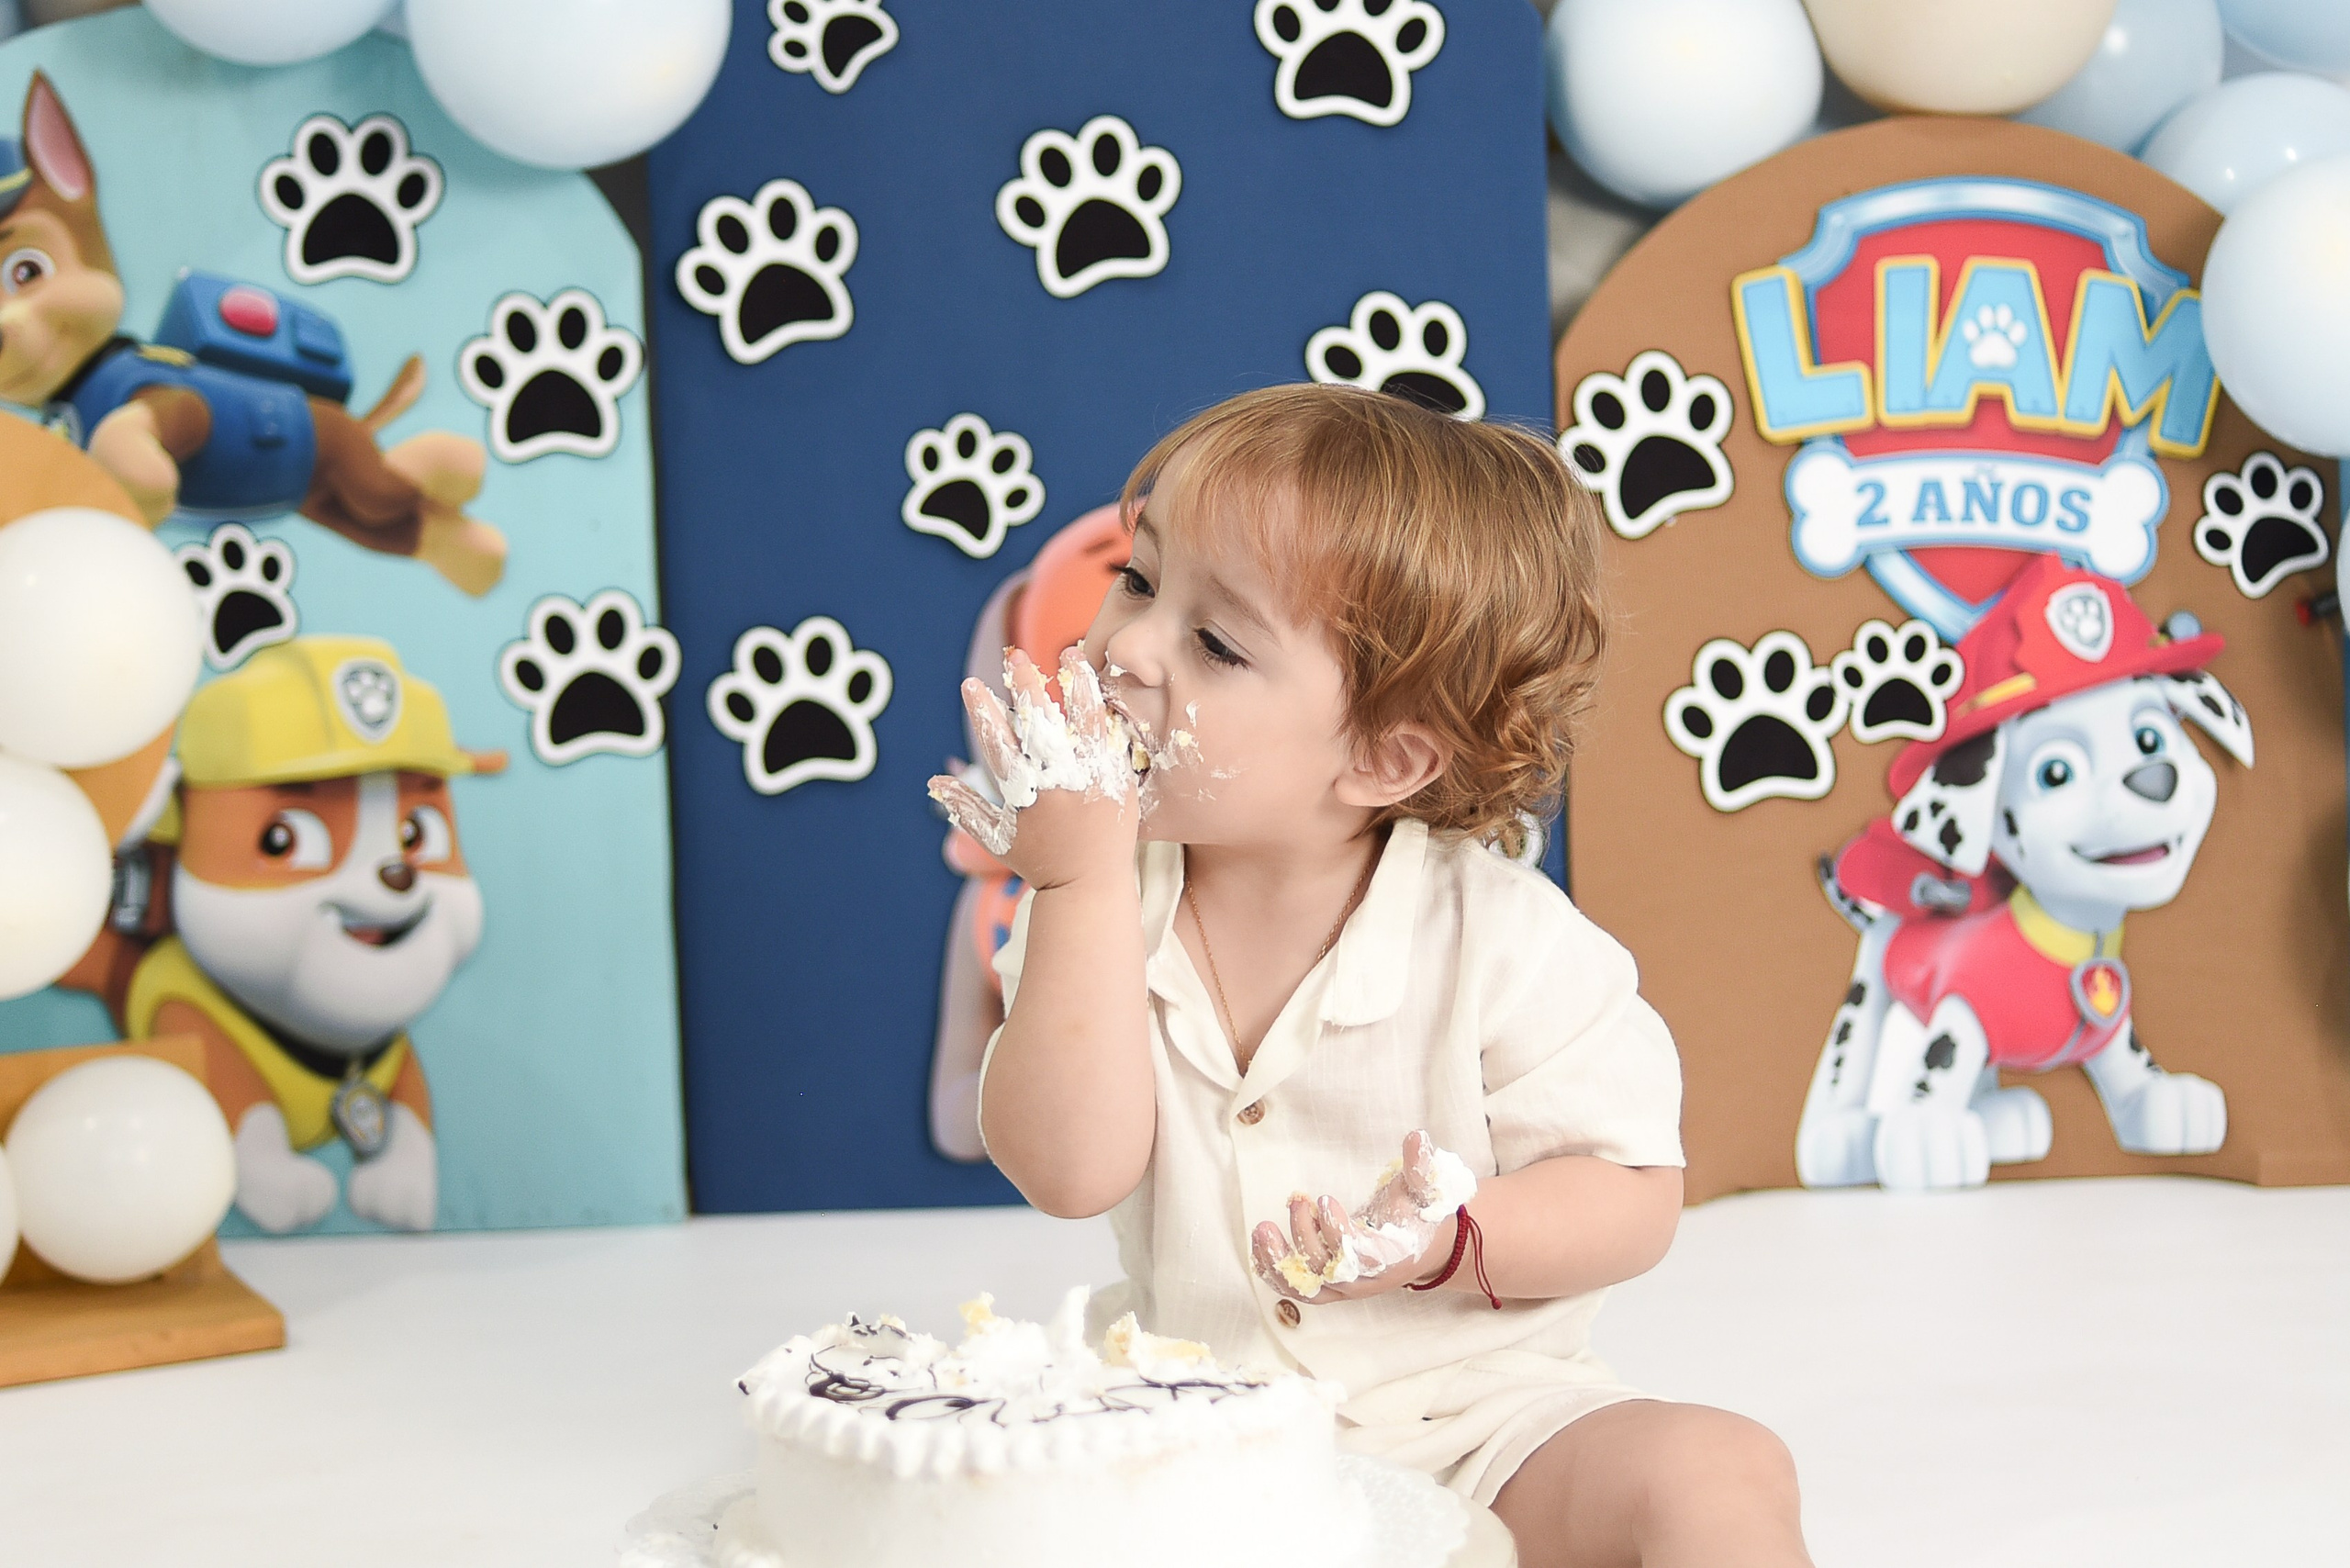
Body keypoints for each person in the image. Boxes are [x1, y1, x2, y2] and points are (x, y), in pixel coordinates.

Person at [930, 385, 1813, 1567]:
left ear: (1381, 756)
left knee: (1721, 1467)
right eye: (1140, 579)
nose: (1125, 646)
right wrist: (1074, 889)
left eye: (1216, 642)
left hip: (1482, 1433)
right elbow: (1070, 1172)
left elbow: (1630, 1192)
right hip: (1201, 1435)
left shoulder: (1500, 937)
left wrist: (1451, 1241)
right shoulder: (1098, 904)